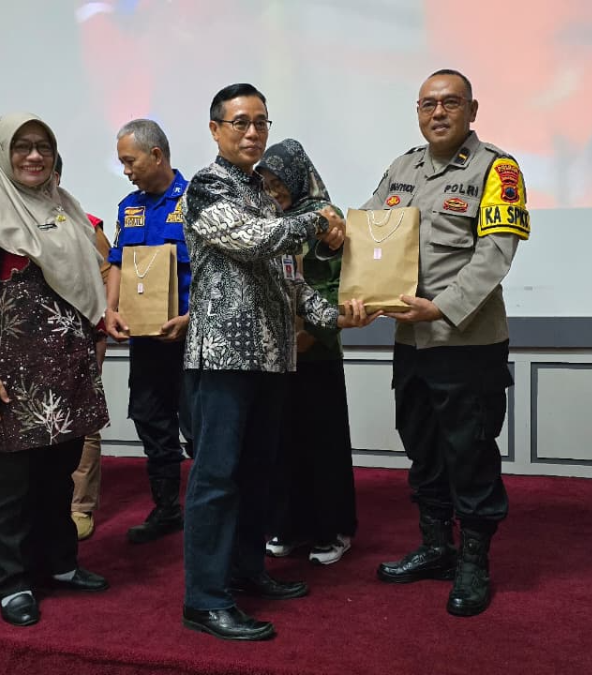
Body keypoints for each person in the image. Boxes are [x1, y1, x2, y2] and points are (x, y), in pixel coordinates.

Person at [179, 83, 377, 642]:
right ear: (215, 129)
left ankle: (246, 570)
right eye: (240, 122)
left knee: (257, 476)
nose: (253, 132)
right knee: (216, 480)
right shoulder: (207, 187)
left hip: (272, 359)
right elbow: (258, 241)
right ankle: (204, 599)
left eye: (261, 122)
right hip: (223, 359)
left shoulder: (266, 197)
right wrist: (318, 219)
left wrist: (339, 316)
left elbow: (291, 283)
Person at [366, 69, 529, 617]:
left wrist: (441, 308)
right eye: (428, 104)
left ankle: (474, 562)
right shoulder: (401, 168)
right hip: (411, 339)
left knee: (470, 450)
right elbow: (370, 234)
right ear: (418, 112)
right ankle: (437, 547)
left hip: (466, 341)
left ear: (472, 111)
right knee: (423, 445)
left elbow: (494, 255)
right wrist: (338, 243)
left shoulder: (497, 169)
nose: (438, 112)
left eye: (451, 103)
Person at [0, 113, 111, 627]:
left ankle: (60, 564)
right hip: (11, 382)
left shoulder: (65, 208)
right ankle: (15, 582)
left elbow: (83, 284)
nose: (35, 156)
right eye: (22, 146)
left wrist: (103, 323)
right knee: (12, 488)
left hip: (67, 374)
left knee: (57, 480)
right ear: (3, 152)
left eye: (44, 146)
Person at [256, 139, 357, 565]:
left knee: (322, 444)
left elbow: (337, 285)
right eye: (267, 183)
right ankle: (287, 525)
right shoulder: (267, 222)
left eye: (280, 182)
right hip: (276, 354)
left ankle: (331, 531)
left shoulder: (326, 220)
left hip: (317, 352)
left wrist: (310, 335)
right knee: (282, 444)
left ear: (297, 177)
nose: (273, 190)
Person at [103, 119, 192, 545]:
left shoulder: (195, 200)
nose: (126, 170)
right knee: (150, 420)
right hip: (145, 339)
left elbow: (212, 268)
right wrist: (111, 309)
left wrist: (193, 317)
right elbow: (118, 261)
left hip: (191, 338)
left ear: (156, 155)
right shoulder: (129, 207)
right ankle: (167, 509)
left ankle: (210, 511)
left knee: (198, 425)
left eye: (130, 161)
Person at [55, 152, 115, 542]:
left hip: (83, 336)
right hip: (31, 343)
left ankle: (80, 506)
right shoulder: (7, 225)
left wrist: (100, 328)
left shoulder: (86, 224)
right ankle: (47, 505)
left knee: (85, 419)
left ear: (58, 176)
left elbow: (109, 278)